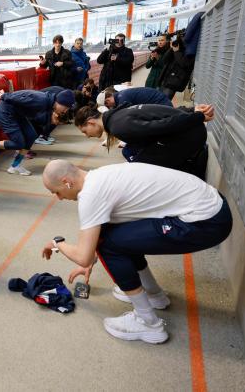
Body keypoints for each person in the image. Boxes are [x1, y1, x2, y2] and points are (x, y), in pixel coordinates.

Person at [41, 160, 232, 343]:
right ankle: (153, 294)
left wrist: (57, 243)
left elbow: (84, 256)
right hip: (214, 206)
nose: (58, 198)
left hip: (205, 222)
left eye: (56, 192)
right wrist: (90, 261)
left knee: (110, 245)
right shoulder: (101, 175)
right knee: (116, 235)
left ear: (66, 182)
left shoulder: (90, 196)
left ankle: (148, 323)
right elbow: (97, 239)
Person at [74, 103, 214, 179]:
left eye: (85, 131)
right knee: (130, 152)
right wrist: (190, 110)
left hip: (191, 136)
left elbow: (164, 125)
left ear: (91, 122)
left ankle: (192, 171)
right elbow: (159, 112)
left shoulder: (119, 127)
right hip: (189, 132)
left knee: (139, 165)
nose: (87, 136)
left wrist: (197, 117)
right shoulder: (118, 115)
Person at [0, 88, 74, 175]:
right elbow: (20, 97)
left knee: (32, 136)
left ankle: (15, 166)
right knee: (19, 143)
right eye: (65, 108)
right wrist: (4, 96)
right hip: (5, 112)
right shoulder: (42, 100)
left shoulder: (49, 104)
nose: (65, 111)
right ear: (60, 102)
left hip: (17, 114)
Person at [96, 86, 173, 109]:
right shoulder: (120, 95)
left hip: (162, 104)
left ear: (107, 101)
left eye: (107, 105)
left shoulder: (123, 99)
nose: (109, 107)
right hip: (160, 101)